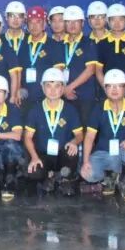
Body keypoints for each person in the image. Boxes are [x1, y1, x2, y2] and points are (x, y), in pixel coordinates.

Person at [81, 69, 125, 203]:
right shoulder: (98, 108)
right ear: (105, 89)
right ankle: (111, 178)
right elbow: (89, 137)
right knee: (87, 174)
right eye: (110, 86)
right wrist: (85, 161)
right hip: (104, 153)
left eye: (118, 86)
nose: (114, 89)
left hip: (123, 153)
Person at [23, 68, 83, 196]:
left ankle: (65, 179)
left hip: (62, 154)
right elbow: (27, 137)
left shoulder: (70, 110)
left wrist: (74, 141)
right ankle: (50, 176)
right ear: (42, 88)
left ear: (63, 88)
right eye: (48, 86)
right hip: (43, 154)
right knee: (34, 173)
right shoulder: (35, 110)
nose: (53, 90)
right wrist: (34, 157)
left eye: (57, 86)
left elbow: (80, 135)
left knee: (72, 152)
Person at [58, 6, 101, 125]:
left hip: (85, 96)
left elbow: (90, 70)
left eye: (76, 21)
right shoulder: (59, 45)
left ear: (82, 23)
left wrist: (70, 87)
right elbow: (58, 69)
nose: (72, 25)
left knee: (85, 128)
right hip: (63, 94)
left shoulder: (90, 43)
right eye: (68, 22)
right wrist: (64, 89)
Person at [18, 6, 60, 110]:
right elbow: (18, 70)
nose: (34, 26)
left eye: (38, 22)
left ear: (44, 24)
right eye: (31, 22)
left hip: (46, 98)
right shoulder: (22, 44)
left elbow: (58, 72)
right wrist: (17, 89)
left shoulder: (54, 45)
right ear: (27, 25)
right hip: (25, 97)